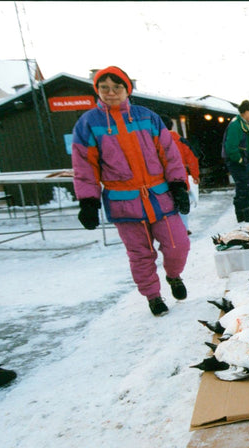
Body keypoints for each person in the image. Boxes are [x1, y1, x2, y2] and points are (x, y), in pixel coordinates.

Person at [72, 66, 191, 317]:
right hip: (123, 202)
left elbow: (170, 154)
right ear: (97, 90)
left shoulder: (146, 117)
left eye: (117, 87)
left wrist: (178, 185)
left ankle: (174, 276)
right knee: (140, 254)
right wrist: (88, 201)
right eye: (104, 88)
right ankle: (153, 296)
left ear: (128, 89)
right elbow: (84, 166)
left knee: (178, 244)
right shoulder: (88, 124)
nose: (111, 92)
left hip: (160, 196)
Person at [161, 114, 200, 234]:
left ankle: (170, 230)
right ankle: (184, 228)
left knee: (166, 204)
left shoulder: (154, 142)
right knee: (182, 203)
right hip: (180, 178)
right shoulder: (180, 140)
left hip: (162, 179)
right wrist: (195, 175)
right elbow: (192, 158)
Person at [223, 100, 249, 222]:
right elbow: (231, 147)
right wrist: (239, 159)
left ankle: (245, 213)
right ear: (245, 112)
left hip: (244, 160)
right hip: (237, 161)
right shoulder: (236, 125)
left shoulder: (245, 123)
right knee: (245, 186)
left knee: (245, 186)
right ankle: (244, 214)